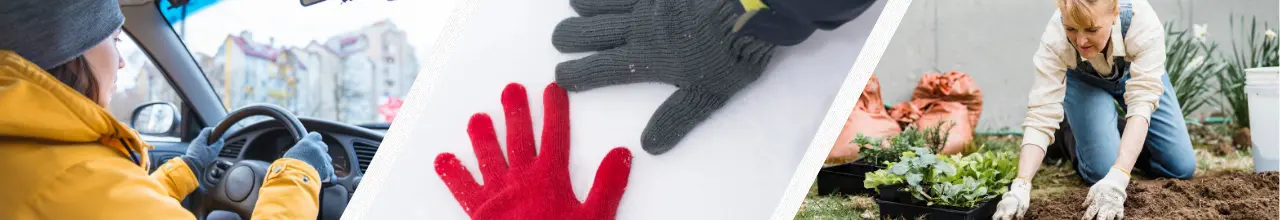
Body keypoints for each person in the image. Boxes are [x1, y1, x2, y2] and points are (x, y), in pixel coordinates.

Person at [0, 0, 336, 219]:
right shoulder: (75, 177)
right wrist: (297, 175)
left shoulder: (29, 159)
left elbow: (121, 205)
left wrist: (188, 168)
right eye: (116, 40)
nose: (120, 62)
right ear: (71, 47)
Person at [993, 0, 1196, 219]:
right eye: (1071, 28)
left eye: (1091, 29)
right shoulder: (1055, 39)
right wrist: (1021, 186)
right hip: (1084, 82)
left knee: (1180, 167)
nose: (1080, 40)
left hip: (1137, 77)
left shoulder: (1141, 21)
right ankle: (1067, 133)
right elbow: (1041, 113)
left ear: (1115, 13)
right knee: (1101, 171)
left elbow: (1141, 104)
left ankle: (1108, 131)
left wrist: (1119, 176)